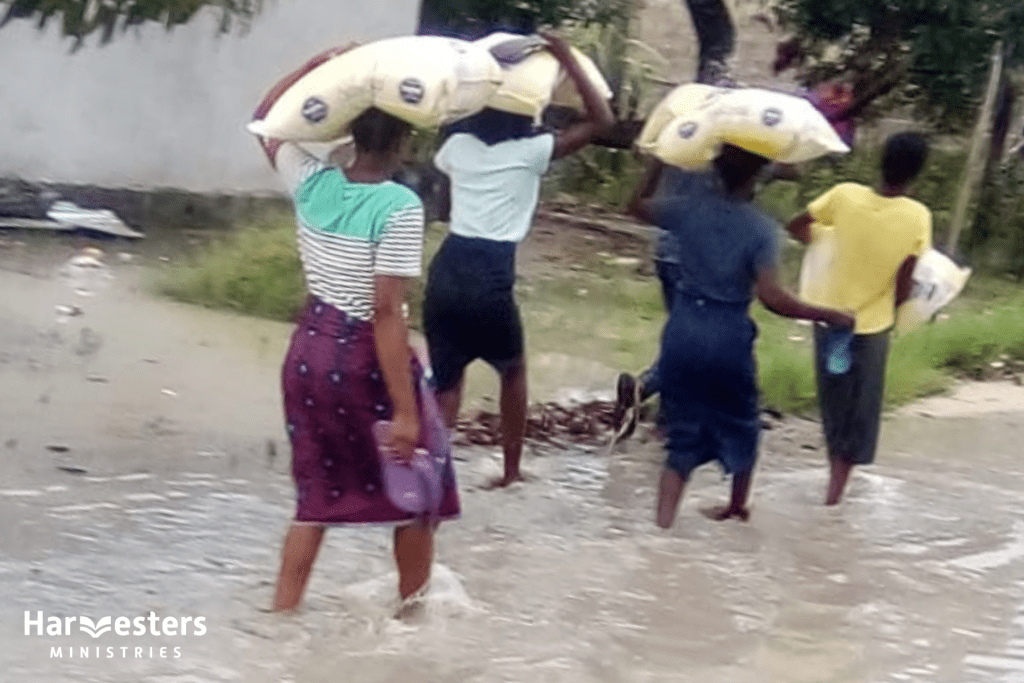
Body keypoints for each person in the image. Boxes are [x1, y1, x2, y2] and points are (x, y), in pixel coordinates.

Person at [251, 46, 460, 613]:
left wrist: (317, 66)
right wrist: (408, 412)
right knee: (422, 493)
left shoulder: (312, 182)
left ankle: (281, 616)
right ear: (405, 141)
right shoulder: (399, 207)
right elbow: (385, 313)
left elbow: (268, 120)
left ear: (345, 129)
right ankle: (412, 615)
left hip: (307, 352)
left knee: (313, 500)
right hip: (361, 355)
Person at [423, 32, 614, 488]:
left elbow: (447, 209)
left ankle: (432, 479)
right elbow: (603, 122)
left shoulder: (456, 149)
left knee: (447, 382)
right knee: (513, 372)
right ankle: (510, 472)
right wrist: (566, 55)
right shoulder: (532, 152)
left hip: (448, 268)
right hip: (491, 272)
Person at [628, 144, 854, 528]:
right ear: (759, 176)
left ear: (716, 170)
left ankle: (660, 529)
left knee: (680, 436)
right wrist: (830, 314)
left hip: (681, 333)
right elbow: (773, 298)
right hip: (728, 336)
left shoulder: (688, 209)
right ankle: (736, 506)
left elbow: (635, 206)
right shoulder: (761, 229)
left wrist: (657, 161)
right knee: (743, 420)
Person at [786, 132, 932, 506]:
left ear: (880, 160)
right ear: (917, 173)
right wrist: (903, 306)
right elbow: (905, 279)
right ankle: (833, 498)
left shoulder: (844, 195)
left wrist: (826, 244)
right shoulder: (917, 218)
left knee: (834, 405)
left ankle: (831, 493)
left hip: (829, 318)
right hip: (871, 328)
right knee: (859, 414)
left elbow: (797, 225)